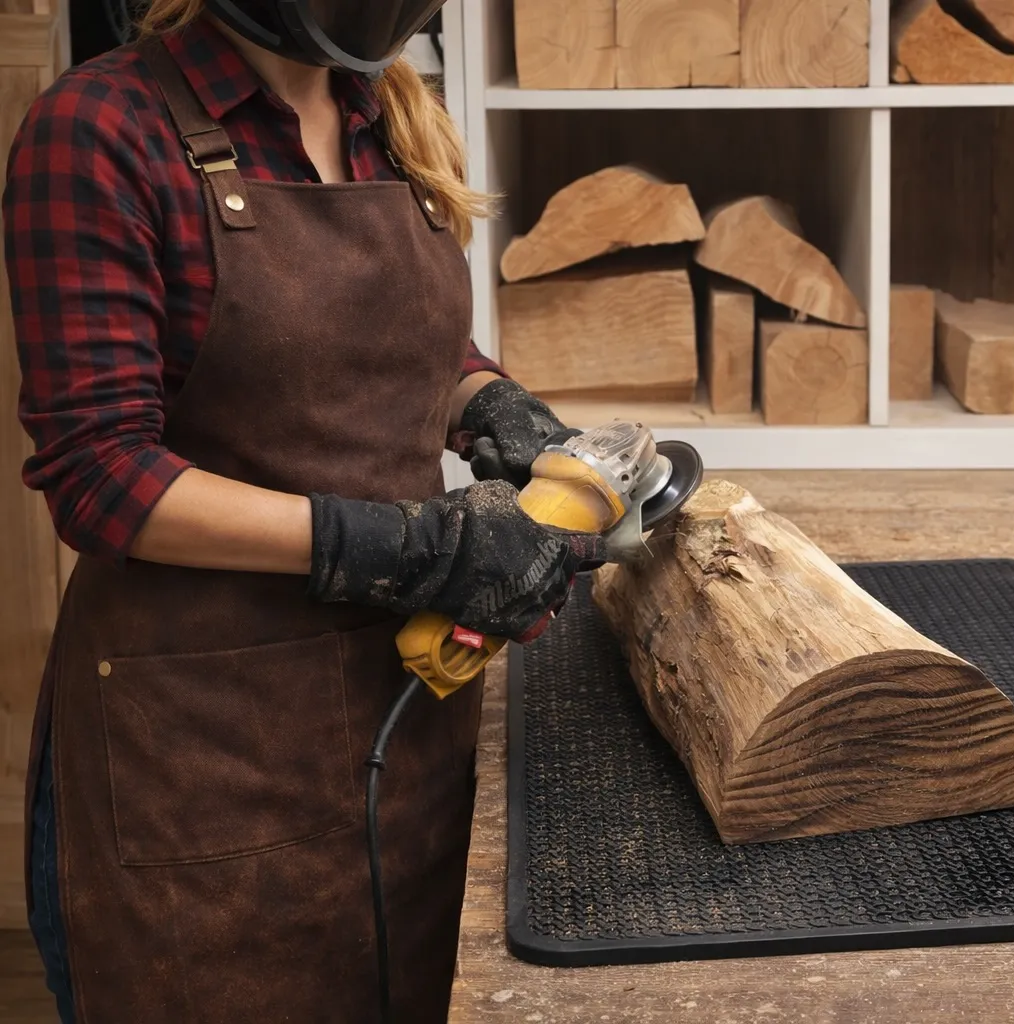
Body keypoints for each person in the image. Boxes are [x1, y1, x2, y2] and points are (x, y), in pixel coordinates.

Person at [3, 1, 607, 1020]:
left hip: (405, 724)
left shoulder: (382, 114)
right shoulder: (100, 127)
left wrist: (485, 402)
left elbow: (386, 347)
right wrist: (398, 543)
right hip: (200, 759)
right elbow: (102, 476)